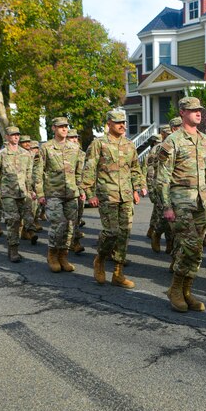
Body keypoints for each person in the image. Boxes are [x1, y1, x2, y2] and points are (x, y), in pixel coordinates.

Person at [158, 97, 206, 311]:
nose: (198, 113)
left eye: (199, 110)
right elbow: (163, 178)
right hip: (180, 202)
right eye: (193, 110)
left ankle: (186, 291)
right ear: (182, 112)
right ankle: (175, 289)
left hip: (202, 202)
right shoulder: (172, 141)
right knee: (191, 246)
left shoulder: (205, 140)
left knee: (197, 249)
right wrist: (166, 206)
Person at [82, 110, 146, 288]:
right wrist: (90, 193)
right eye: (118, 122)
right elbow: (89, 168)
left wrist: (137, 188)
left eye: (124, 122)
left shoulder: (129, 144)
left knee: (124, 233)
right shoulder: (99, 143)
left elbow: (134, 168)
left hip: (125, 194)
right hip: (107, 194)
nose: (122, 125)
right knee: (111, 232)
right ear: (109, 123)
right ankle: (100, 260)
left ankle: (118, 273)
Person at [34, 118, 84, 272]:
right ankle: (52, 254)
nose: (64, 129)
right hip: (53, 193)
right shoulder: (46, 148)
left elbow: (79, 172)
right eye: (61, 127)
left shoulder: (74, 148)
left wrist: (81, 190)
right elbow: (37, 172)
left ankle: (63, 255)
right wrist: (40, 193)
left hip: (71, 193)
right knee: (58, 224)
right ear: (53, 128)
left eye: (66, 127)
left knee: (70, 226)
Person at [0, 126, 35, 263]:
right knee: (13, 220)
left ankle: (14, 246)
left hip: (23, 192)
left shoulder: (26, 154)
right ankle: (13, 250)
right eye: (13, 135)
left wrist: (31, 190)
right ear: (7, 137)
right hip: (8, 193)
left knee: (27, 219)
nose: (16, 137)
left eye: (17, 135)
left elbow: (29, 174)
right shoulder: (1, 155)